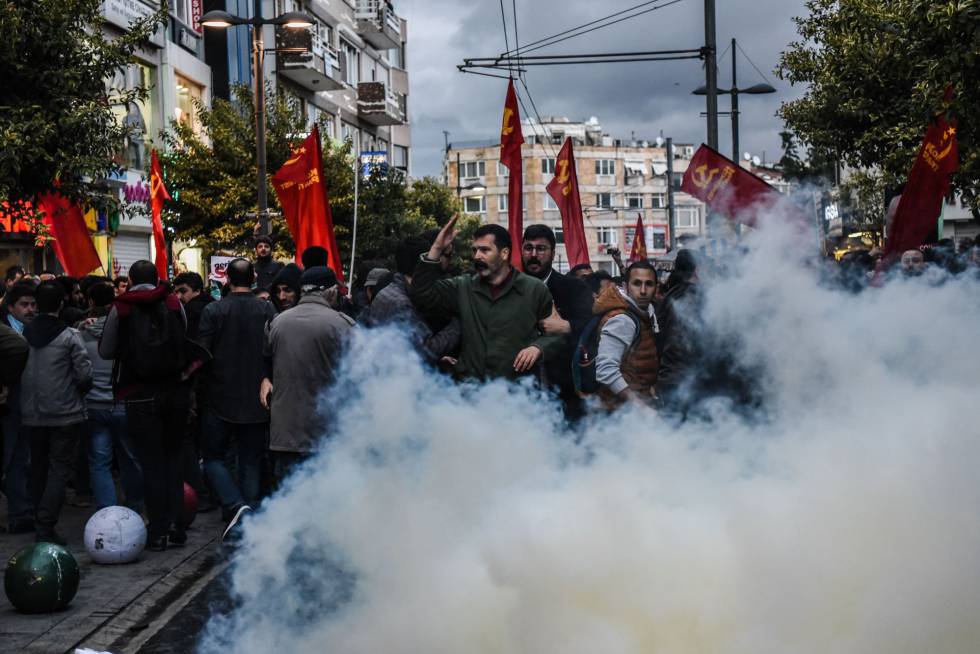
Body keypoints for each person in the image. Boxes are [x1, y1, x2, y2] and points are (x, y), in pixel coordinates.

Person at [99, 260, 192, 551]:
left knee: (151, 463)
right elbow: (184, 338)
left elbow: (105, 350)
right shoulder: (175, 302)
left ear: (129, 279)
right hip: (175, 391)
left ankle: (158, 531)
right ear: (157, 278)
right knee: (174, 458)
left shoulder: (121, 307)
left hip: (139, 394)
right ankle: (178, 523)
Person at [410, 217, 563, 380]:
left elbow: (557, 333)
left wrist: (538, 347)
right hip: (471, 392)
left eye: (484, 250)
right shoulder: (463, 287)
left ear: (504, 253)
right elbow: (422, 294)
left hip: (517, 394)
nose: (477, 256)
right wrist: (436, 248)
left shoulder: (534, 289)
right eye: (475, 250)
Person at [197, 259, 276, 541]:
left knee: (214, 457)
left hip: (220, 394)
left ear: (227, 279)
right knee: (251, 459)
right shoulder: (266, 308)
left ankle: (235, 504)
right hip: (258, 395)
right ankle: (248, 515)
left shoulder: (214, 310)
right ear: (253, 278)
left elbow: (202, 354)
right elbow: (273, 348)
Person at [261, 266, 354, 481]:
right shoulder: (343, 325)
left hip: (284, 433)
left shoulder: (276, 323)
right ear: (331, 292)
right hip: (325, 433)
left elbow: (266, 361)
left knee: (287, 498)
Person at [20, 281, 92, 544]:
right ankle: (46, 524)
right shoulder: (70, 336)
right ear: (61, 304)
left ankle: (40, 517)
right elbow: (85, 375)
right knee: (59, 469)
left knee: (38, 467)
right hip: (65, 412)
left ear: (37, 305)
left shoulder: (22, 336)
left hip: (31, 413)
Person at [78, 282, 143, 512]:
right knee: (130, 459)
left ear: (90, 302)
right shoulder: (127, 329)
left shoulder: (80, 333)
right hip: (123, 402)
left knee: (99, 461)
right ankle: (135, 506)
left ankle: (108, 510)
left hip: (94, 405)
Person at [520, 224, 593, 419]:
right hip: (521, 390)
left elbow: (592, 325)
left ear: (553, 253)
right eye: (528, 248)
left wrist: (568, 326)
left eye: (541, 248)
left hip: (566, 388)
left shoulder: (573, 287)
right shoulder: (512, 288)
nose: (534, 254)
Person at [360, 234, 461, 362]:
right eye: (429, 260)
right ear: (421, 265)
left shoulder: (388, 290)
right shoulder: (402, 303)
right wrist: (459, 323)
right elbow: (427, 350)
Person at [593, 261, 660, 407]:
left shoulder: (646, 312)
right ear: (625, 286)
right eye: (637, 283)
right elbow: (605, 370)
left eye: (648, 284)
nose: (643, 290)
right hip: (617, 412)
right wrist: (639, 405)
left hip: (633, 408)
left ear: (656, 288)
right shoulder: (623, 319)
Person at [2, 281, 36, 533]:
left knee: (19, 459)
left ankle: (21, 512)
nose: (30, 309)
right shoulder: (7, 333)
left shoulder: (35, 329)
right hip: (7, 406)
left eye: (33, 304)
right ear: (10, 307)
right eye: (24, 305)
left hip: (26, 406)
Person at [173, 271, 213, 340]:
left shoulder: (191, 310)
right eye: (176, 292)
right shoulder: (211, 304)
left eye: (183, 291)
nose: (178, 296)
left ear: (197, 291)